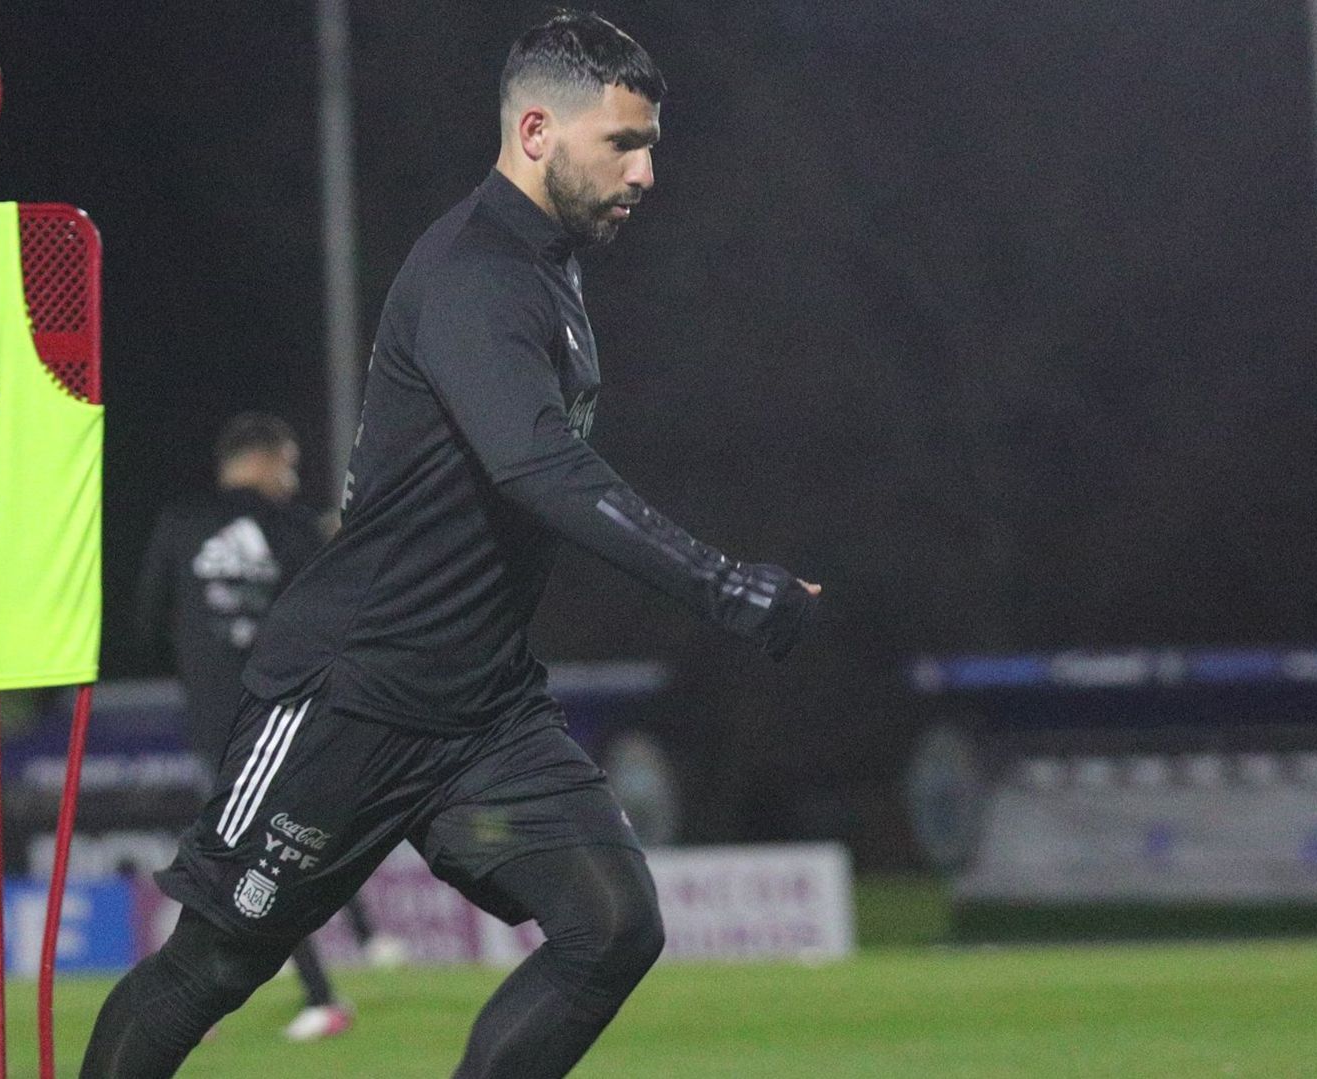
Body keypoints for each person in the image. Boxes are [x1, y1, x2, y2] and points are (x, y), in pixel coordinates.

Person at [82, 12, 819, 1077]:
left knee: (613, 923)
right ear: (536, 132)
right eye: (623, 143)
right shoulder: (476, 272)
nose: (647, 171)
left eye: (650, 144)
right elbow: (539, 469)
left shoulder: (549, 271)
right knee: (213, 963)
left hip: (480, 710)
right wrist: (723, 585)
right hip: (350, 695)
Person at [132, 413, 405, 1044]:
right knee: (275, 846)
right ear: (261, 460)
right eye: (288, 465)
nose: (292, 479)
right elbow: (337, 613)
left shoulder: (178, 525)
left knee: (252, 851)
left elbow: (147, 617)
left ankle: (304, 990)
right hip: (288, 711)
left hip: (216, 718)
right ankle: (325, 972)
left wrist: (200, 658)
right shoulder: (294, 528)